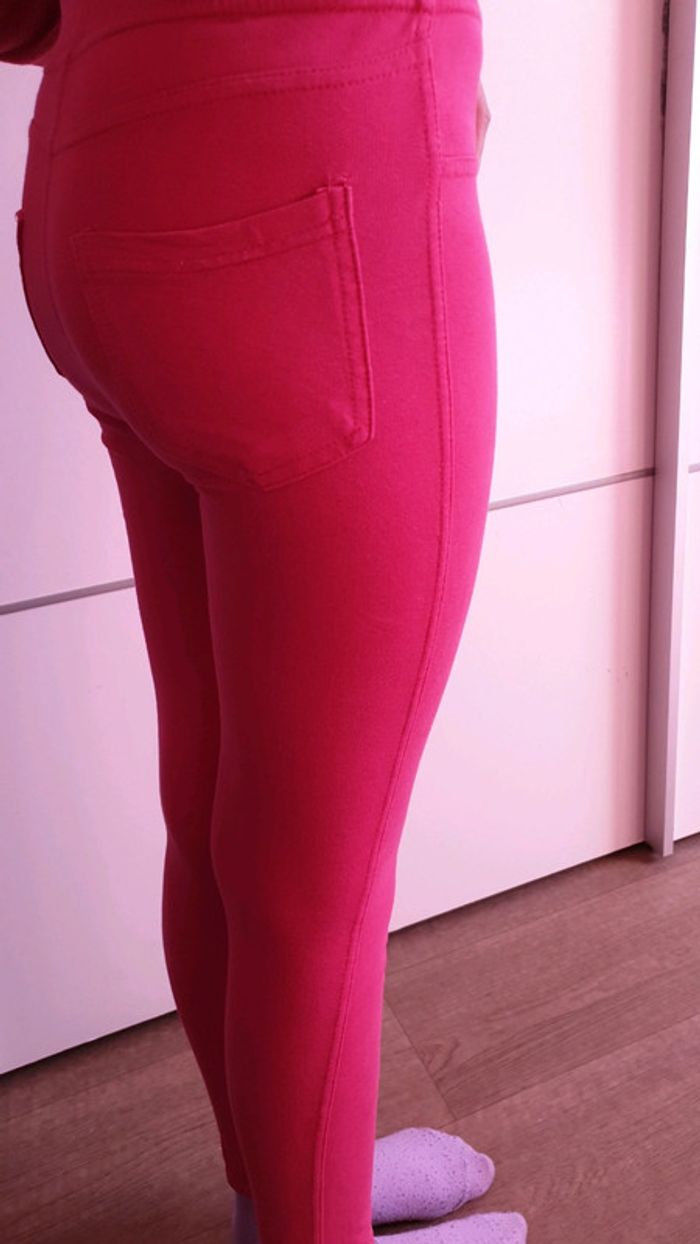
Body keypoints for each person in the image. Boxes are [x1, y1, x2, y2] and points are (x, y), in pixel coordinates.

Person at [4, 1, 526, 1240]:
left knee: (222, 801)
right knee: (316, 874)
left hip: (96, 188)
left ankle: (283, 1197)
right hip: (317, 186)